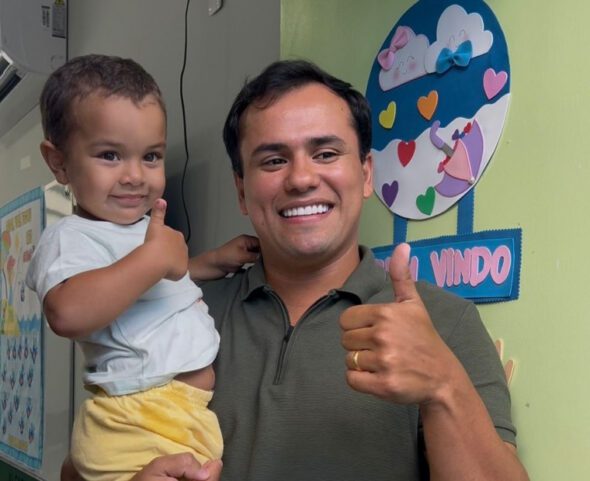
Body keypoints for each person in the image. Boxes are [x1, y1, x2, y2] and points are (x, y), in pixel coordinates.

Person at [71, 59, 529, 481]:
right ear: (242, 190)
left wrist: (443, 386)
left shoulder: (443, 322)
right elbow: (83, 463)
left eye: (326, 153)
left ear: (366, 173)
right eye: (273, 160)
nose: (302, 179)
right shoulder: (176, 310)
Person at [26, 54, 259, 481]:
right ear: (58, 162)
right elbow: (66, 312)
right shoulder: (70, 237)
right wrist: (153, 259)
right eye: (110, 155)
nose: (135, 175)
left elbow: (157, 288)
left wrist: (210, 262)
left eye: (151, 156)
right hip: (136, 418)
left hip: (175, 413)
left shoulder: (135, 229)